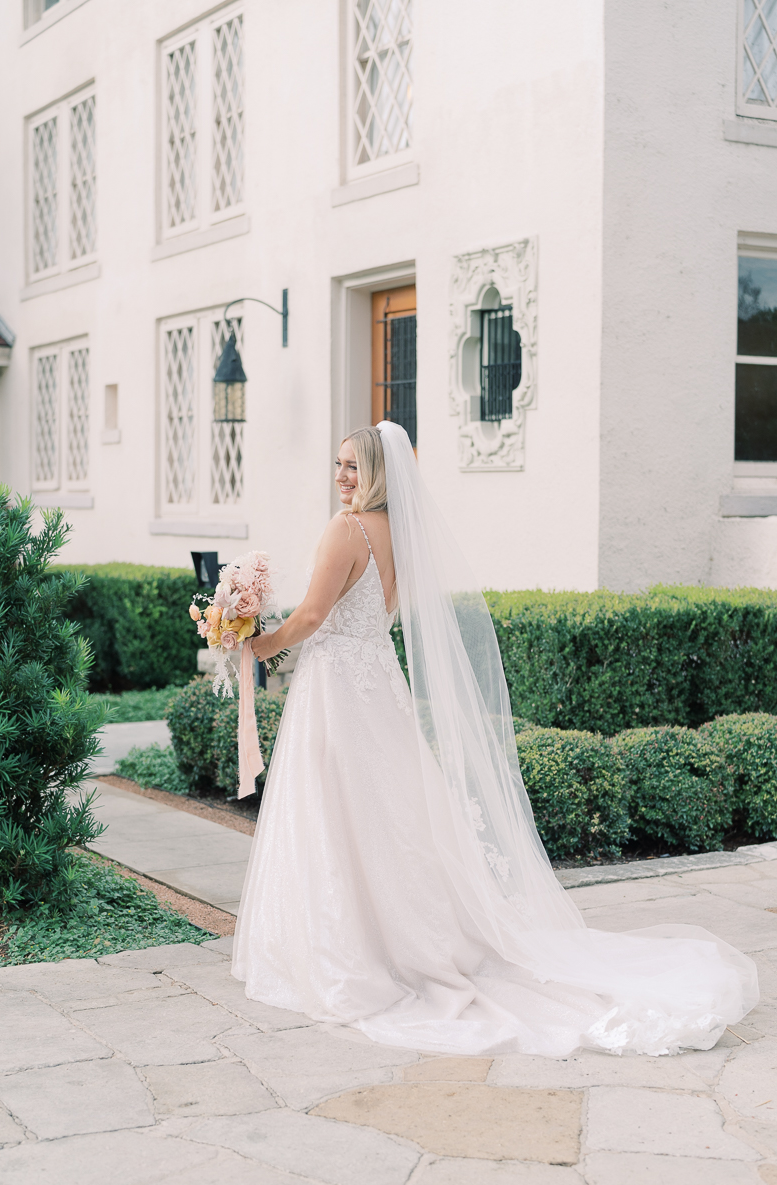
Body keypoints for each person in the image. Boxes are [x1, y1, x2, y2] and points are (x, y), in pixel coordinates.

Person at [233, 422, 757, 1057]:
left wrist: (252, 644)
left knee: (336, 813)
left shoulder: (346, 530)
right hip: (377, 685)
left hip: (339, 695)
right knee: (387, 817)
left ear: (375, 472)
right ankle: (408, 934)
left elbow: (313, 617)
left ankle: (354, 950)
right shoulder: (400, 534)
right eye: (337, 465)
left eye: (351, 467)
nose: (341, 477)